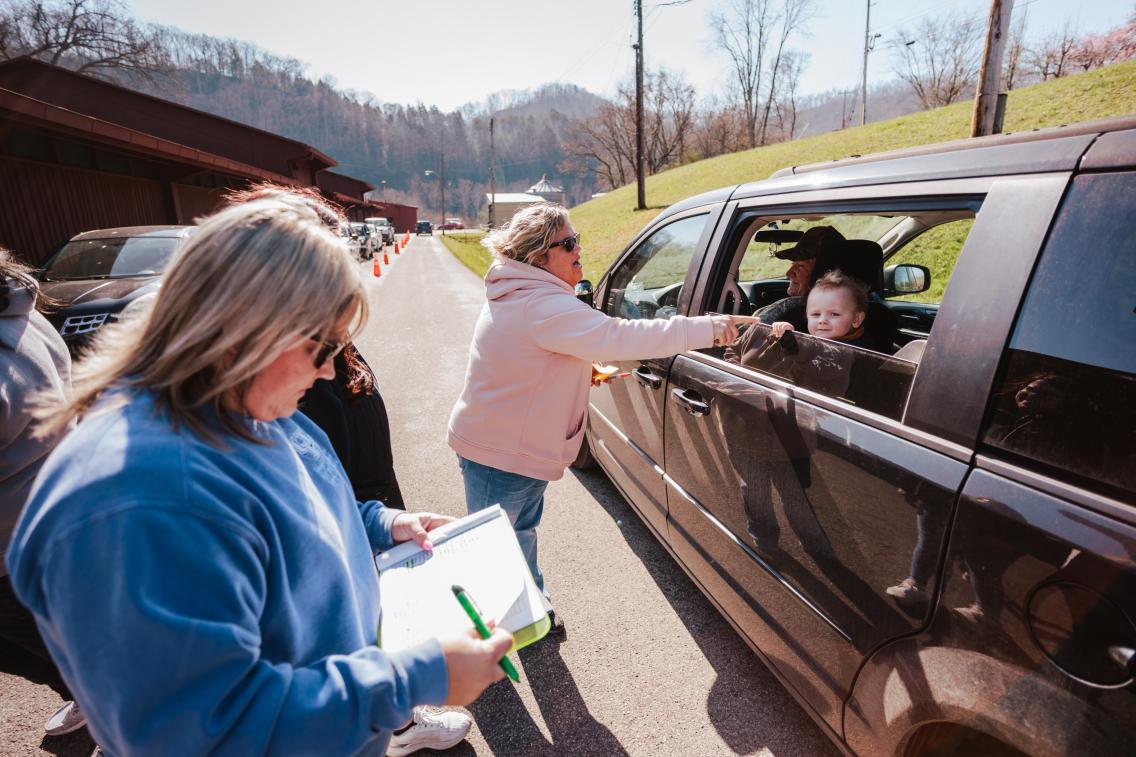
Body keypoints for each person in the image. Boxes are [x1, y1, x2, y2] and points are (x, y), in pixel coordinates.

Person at [6, 196, 512, 755]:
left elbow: (302, 510)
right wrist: (414, 678)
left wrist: (383, 523)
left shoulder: (251, 408)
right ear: (246, 331)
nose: (328, 370)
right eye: (322, 345)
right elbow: (207, 732)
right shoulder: (145, 501)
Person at [448, 202, 752, 625]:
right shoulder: (540, 305)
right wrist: (710, 327)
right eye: (568, 243)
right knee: (488, 549)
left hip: (513, 447)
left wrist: (578, 373)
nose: (578, 249)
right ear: (539, 256)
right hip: (500, 453)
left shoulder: (524, 292)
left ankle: (528, 606)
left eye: (578, 239)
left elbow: (529, 360)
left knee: (518, 531)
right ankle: (481, 641)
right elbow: (618, 336)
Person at [0, 247, 89, 739]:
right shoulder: (23, 313)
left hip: (13, 545)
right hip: (54, 513)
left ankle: (112, 709)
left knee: (42, 639)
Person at [755, 225, 846, 327]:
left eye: (800, 266)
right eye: (792, 264)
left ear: (823, 273)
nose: (788, 273)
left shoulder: (787, 310)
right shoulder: (851, 309)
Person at [769, 270, 877, 349]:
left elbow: (817, 362)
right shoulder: (825, 339)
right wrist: (782, 335)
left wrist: (794, 344)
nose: (822, 320)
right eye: (815, 314)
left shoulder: (857, 350)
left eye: (834, 314)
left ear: (856, 319)